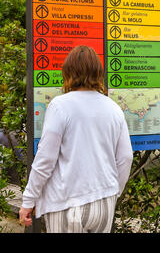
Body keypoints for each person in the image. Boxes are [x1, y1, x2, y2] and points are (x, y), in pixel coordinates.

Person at [19, 46, 133, 233]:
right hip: (104, 203)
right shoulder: (114, 108)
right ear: (98, 72)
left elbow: (45, 158)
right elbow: (126, 157)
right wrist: (113, 192)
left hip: (67, 203)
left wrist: (28, 200)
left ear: (68, 72)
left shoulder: (60, 106)